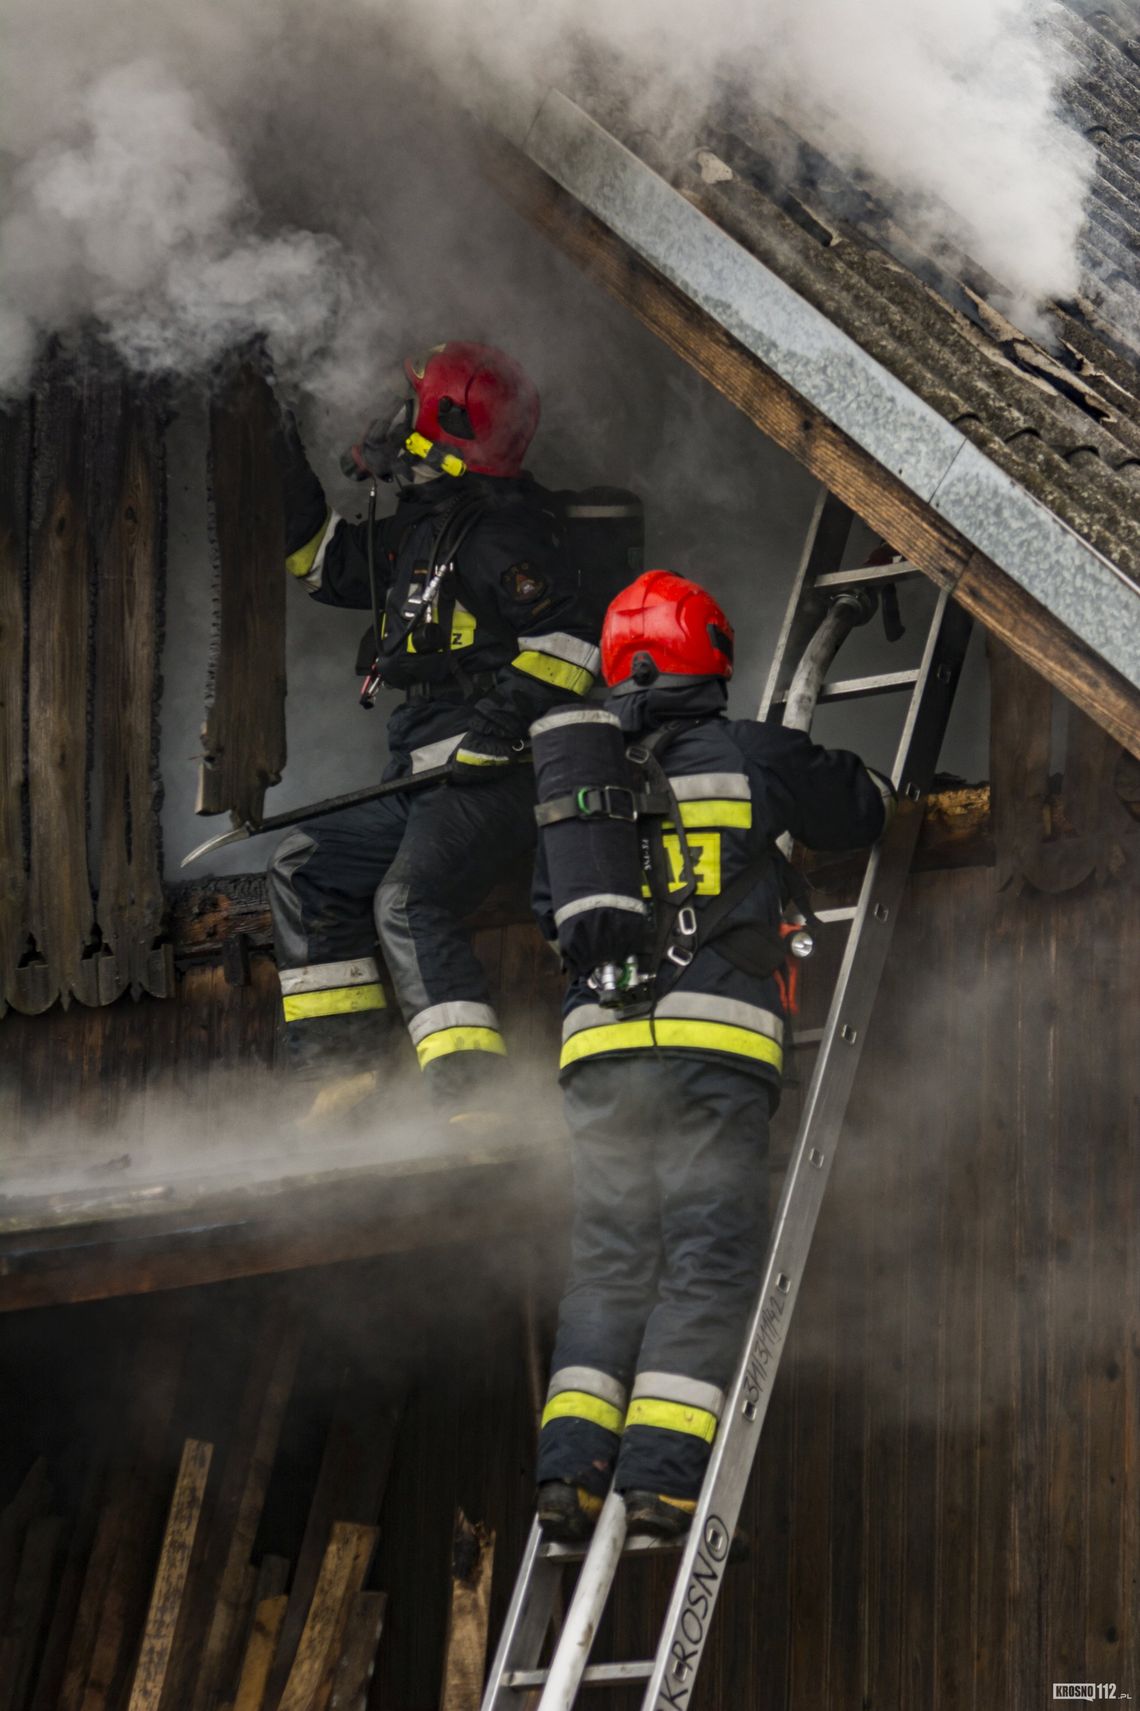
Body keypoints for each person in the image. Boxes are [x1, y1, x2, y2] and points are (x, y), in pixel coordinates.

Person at [531, 570, 894, 1539]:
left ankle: (568, 1479)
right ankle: (657, 1481)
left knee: (608, 1262)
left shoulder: (581, 790)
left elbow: (547, 911)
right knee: (705, 1257)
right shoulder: (751, 755)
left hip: (600, 1054)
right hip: (711, 1054)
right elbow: (859, 812)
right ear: (713, 653)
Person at [268, 341, 601, 1123]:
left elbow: (573, 642)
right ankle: (343, 1069)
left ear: (446, 423)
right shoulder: (420, 530)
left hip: (494, 773)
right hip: (421, 773)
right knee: (303, 865)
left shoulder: (500, 536)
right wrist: (280, 447)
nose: (394, 418)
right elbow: (321, 565)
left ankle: (472, 1098)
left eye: (412, 406)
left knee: (407, 899)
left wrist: (500, 725)